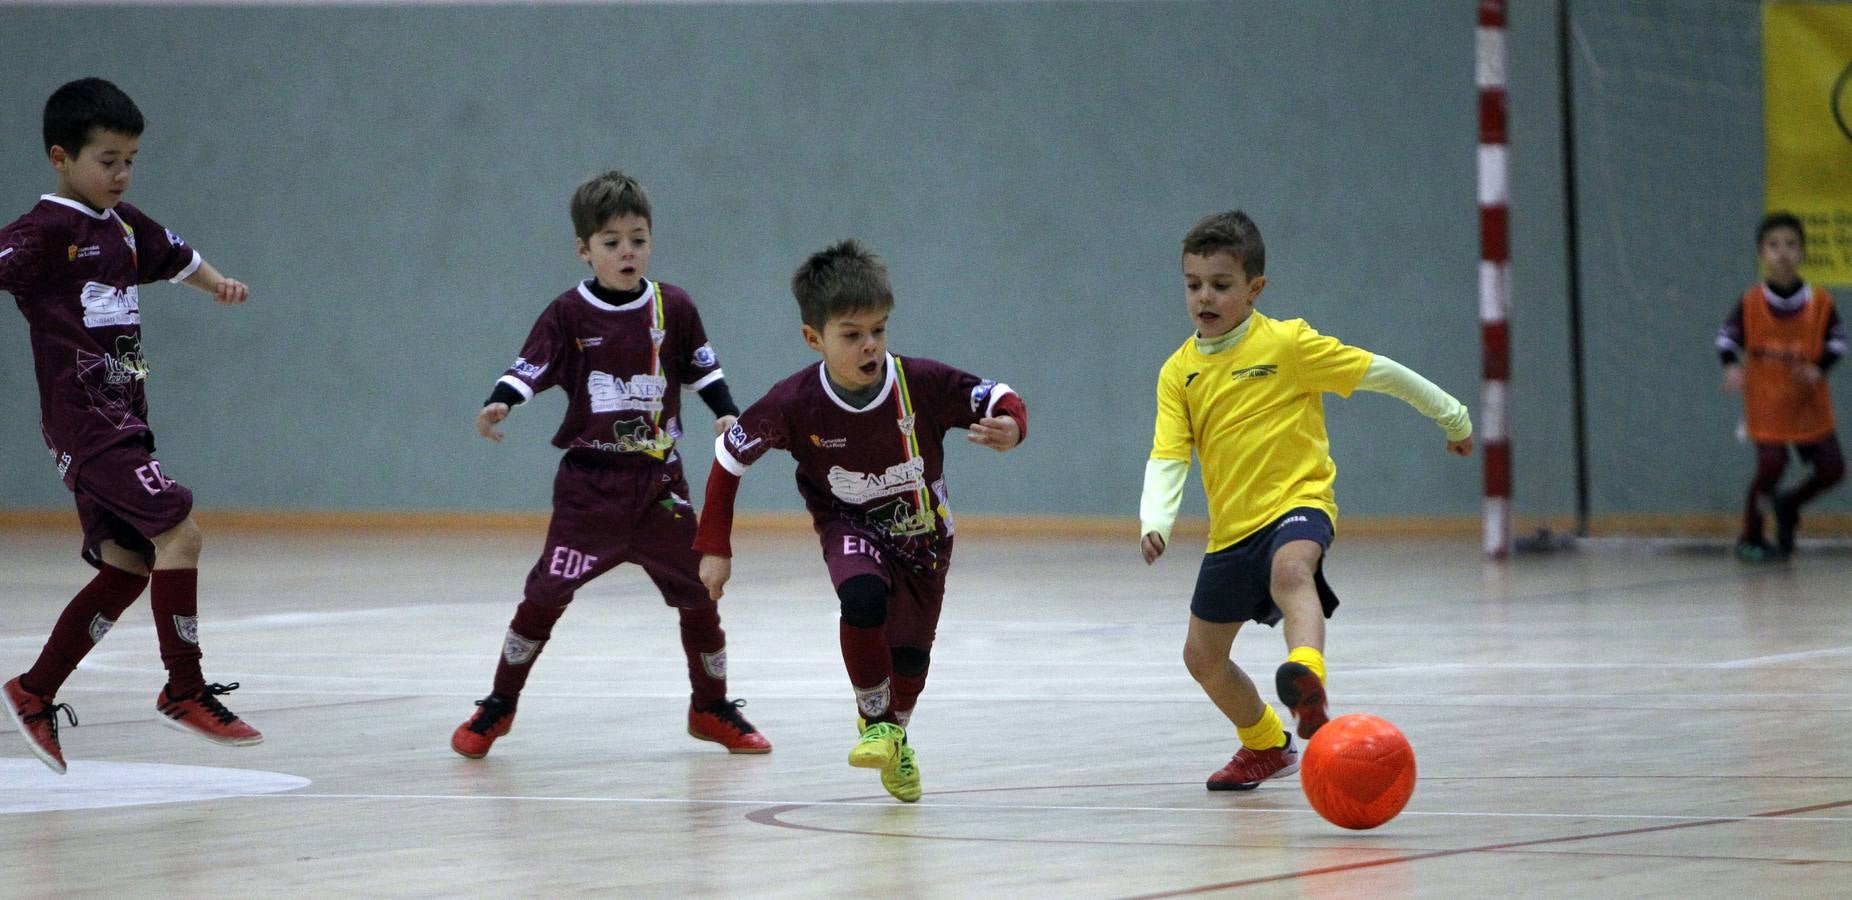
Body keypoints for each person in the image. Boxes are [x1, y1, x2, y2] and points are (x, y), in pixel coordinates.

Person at [1138, 210, 1472, 791]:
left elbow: (1380, 372)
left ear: (1255, 288)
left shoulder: (1289, 343)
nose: (1205, 297)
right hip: (1231, 532)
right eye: (1194, 285)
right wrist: (1156, 520)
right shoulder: (1178, 372)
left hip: (1299, 503)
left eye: (1221, 284)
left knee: (1292, 570)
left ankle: (1306, 674)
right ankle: (1265, 742)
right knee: (1202, 659)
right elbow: (1169, 453)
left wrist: (1453, 416)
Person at [692, 240, 1027, 802]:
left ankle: (895, 736)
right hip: (850, 526)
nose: (870, 345)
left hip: (926, 541)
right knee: (863, 597)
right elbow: (729, 457)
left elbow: (999, 393)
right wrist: (714, 545)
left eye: (879, 329)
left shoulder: (920, 383)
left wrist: (1012, 426)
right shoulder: (792, 404)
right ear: (813, 338)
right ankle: (874, 721)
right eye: (852, 334)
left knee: (912, 662)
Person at [451, 170, 770, 759]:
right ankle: (499, 702)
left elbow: (704, 368)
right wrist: (501, 401)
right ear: (584, 249)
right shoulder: (568, 314)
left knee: (699, 594)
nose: (628, 251)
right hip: (590, 490)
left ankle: (711, 706)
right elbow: (529, 367)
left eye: (638, 238)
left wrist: (726, 414)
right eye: (612, 241)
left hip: (660, 488)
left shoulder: (675, 307)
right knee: (545, 594)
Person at [0, 78, 262, 774]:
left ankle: (32, 690)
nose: (121, 173)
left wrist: (219, 284)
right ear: (61, 158)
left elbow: (175, 257)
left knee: (127, 566)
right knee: (181, 531)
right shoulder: (44, 231)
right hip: (87, 421)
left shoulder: (122, 226)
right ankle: (184, 689)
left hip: (123, 417)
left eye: (131, 159)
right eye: (107, 159)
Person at [1717, 212, 1844, 561]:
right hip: (1768, 402)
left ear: (1803, 252)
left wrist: (1820, 368)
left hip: (1807, 402)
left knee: (1833, 468)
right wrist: (1730, 365)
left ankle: (1789, 505)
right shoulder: (1750, 303)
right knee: (1771, 466)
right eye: (1773, 245)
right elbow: (1727, 338)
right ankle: (1751, 535)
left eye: (1791, 244)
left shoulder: (1821, 303)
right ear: (1761, 253)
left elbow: (1837, 343)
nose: (1783, 252)